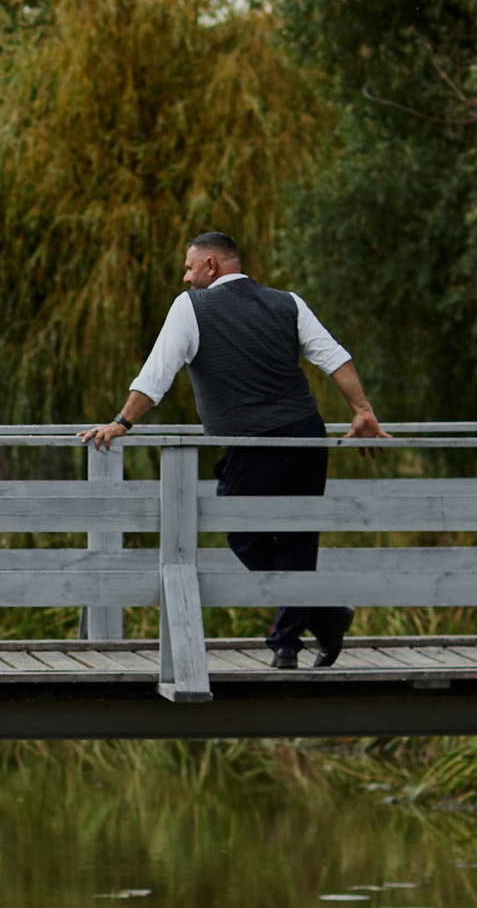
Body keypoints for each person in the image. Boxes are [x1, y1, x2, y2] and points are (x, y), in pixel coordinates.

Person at [80, 232, 388, 670]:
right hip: (305, 436)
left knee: (245, 537)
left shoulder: (191, 307)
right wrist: (362, 409)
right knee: (297, 542)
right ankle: (313, 624)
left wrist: (122, 421)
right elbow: (334, 358)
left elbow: (156, 374)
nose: (185, 278)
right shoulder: (289, 302)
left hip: (253, 443)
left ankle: (293, 638)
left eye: (189, 268)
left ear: (211, 266)